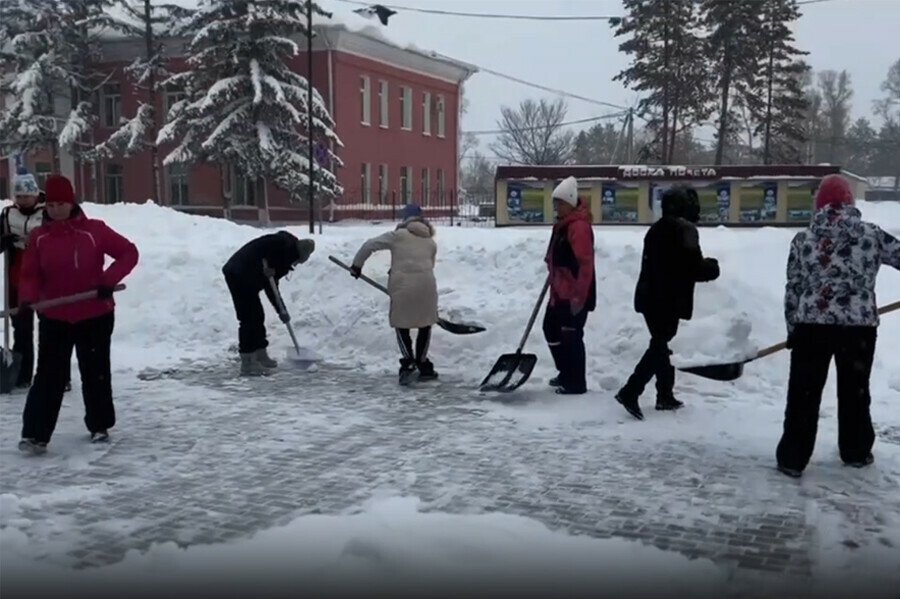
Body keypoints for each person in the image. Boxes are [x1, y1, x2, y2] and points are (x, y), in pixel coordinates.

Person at [776, 174, 900, 478]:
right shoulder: (872, 235)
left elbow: (794, 286)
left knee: (803, 393)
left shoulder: (803, 239)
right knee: (855, 390)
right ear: (849, 201)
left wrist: (792, 327)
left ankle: (793, 458)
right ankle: (856, 451)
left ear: (819, 202)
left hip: (810, 326)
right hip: (858, 327)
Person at [17, 174, 139, 454]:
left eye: (62, 203)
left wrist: (108, 281)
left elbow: (128, 253)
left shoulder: (95, 231)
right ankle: (35, 435)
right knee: (49, 375)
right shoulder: (39, 237)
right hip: (54, 315)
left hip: (94, 313)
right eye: (52, 204)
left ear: (71, 203)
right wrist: (27, 298)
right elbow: (30, 274)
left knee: (95, 371)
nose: (56, 209)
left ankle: (100, 425)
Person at [616, 186, 720, 420]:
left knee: (660, 344)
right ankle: (631, 390)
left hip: (649, 297)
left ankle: (664, 394)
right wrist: (713, 267)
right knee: (659, 345)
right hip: (668, 299)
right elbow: (693, 267)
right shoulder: (685, 230)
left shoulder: (657, 229)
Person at [350, 203, 438, 383]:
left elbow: (369, 245)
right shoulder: (430, 242)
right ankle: (422, 364)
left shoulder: (398, 236)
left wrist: (357, 266)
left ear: (406, 219)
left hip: (403, 287)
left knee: (401, 324)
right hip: (427, 286)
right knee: (425, 324)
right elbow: (428, 264)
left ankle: (408, 362)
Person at [222, 232, 315, 376]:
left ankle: (260, 354)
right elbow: (270, 284)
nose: (295, 264)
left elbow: (271, 285)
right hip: (238, 273)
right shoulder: (281, 249)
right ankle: (247, 362)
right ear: (298, 254)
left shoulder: (286, 250)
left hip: (250, 275)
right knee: (248, 317)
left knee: (258, 316)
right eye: (298, 261)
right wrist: (281, 310)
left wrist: (281, 311)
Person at [543, 176, 596, 395]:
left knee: (572, 335)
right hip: (559, 290)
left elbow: (585, 265)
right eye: (556, 203)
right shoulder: (562, 226)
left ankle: (576, 382)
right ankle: (565, 371)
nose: (558, 207)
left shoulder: (579, 227)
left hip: (574, 293)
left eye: (561, 203)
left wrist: (578, 297)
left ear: (571, 202)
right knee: (551, 329)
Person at [1, 170, 45, 388]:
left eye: (26, 196)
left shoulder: (48, 212)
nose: (22, 200)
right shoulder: (8, 214)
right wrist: (5, 240)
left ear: (35, 195)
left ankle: (54, 374)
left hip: (44, 274)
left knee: (50, 328)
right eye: (18, 196)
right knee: (22, 328)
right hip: (17, 276)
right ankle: (22, 374)